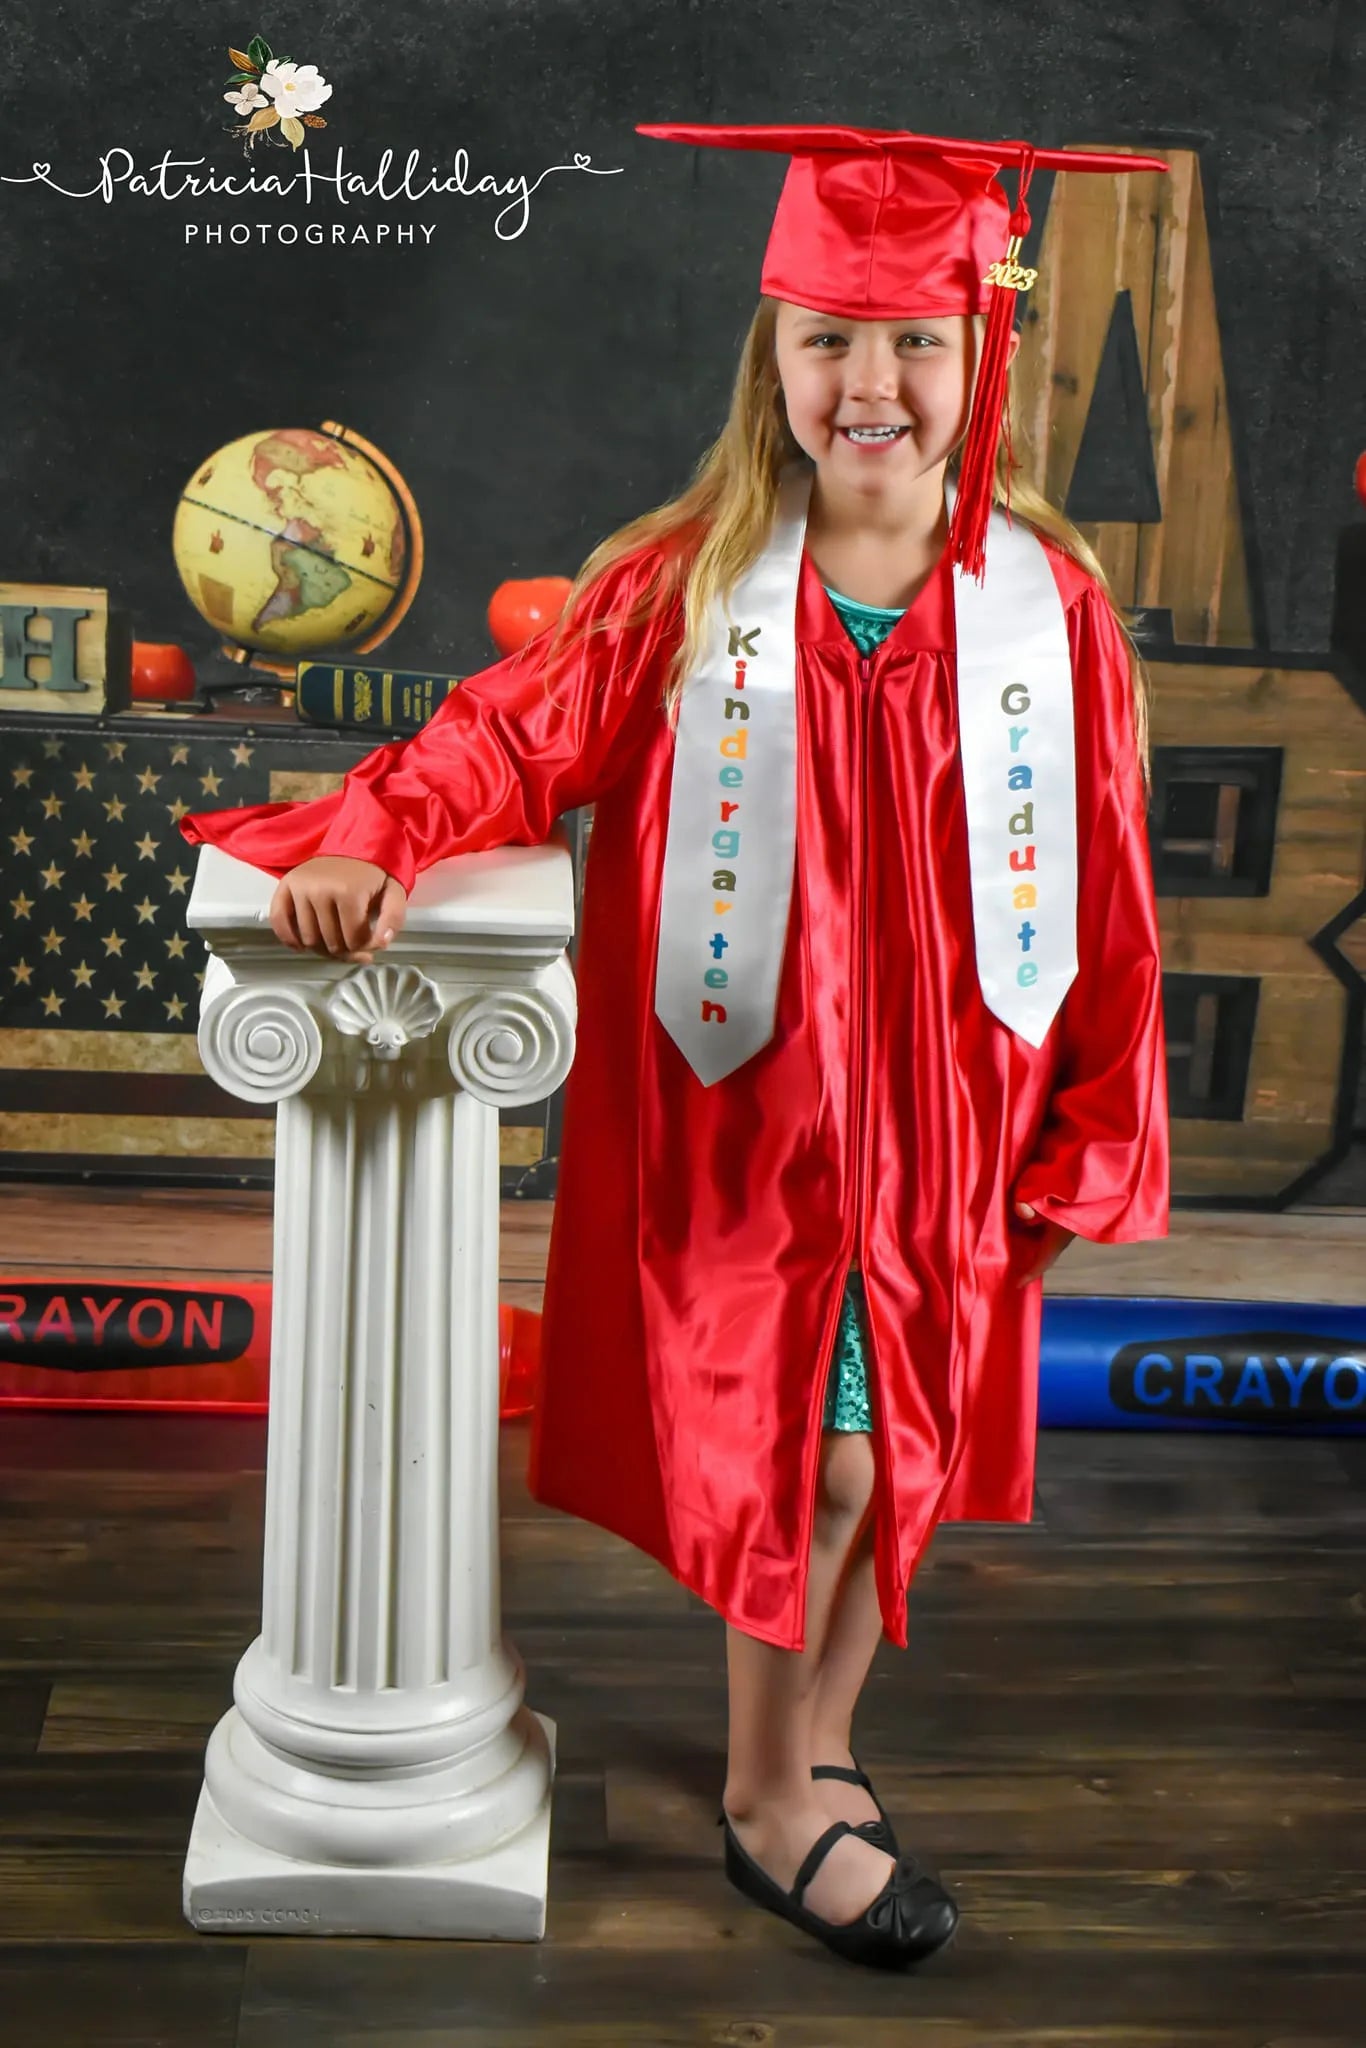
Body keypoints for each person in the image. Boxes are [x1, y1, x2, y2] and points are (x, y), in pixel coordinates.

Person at [180, 122, 1171, 1970]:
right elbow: (498, 739)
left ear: (980, 352)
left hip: (958, 1124)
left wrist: (1093, 1121)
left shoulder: (1052, 612)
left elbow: (1107, 883)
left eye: (912, 343)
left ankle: (811, 1757)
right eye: (825, 339)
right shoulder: (682, 584)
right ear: (768, 361)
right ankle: (772, 1796)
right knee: (821, 1463)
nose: (868, 385)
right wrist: (369, 835)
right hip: (759, 1131)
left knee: (896, 1468)